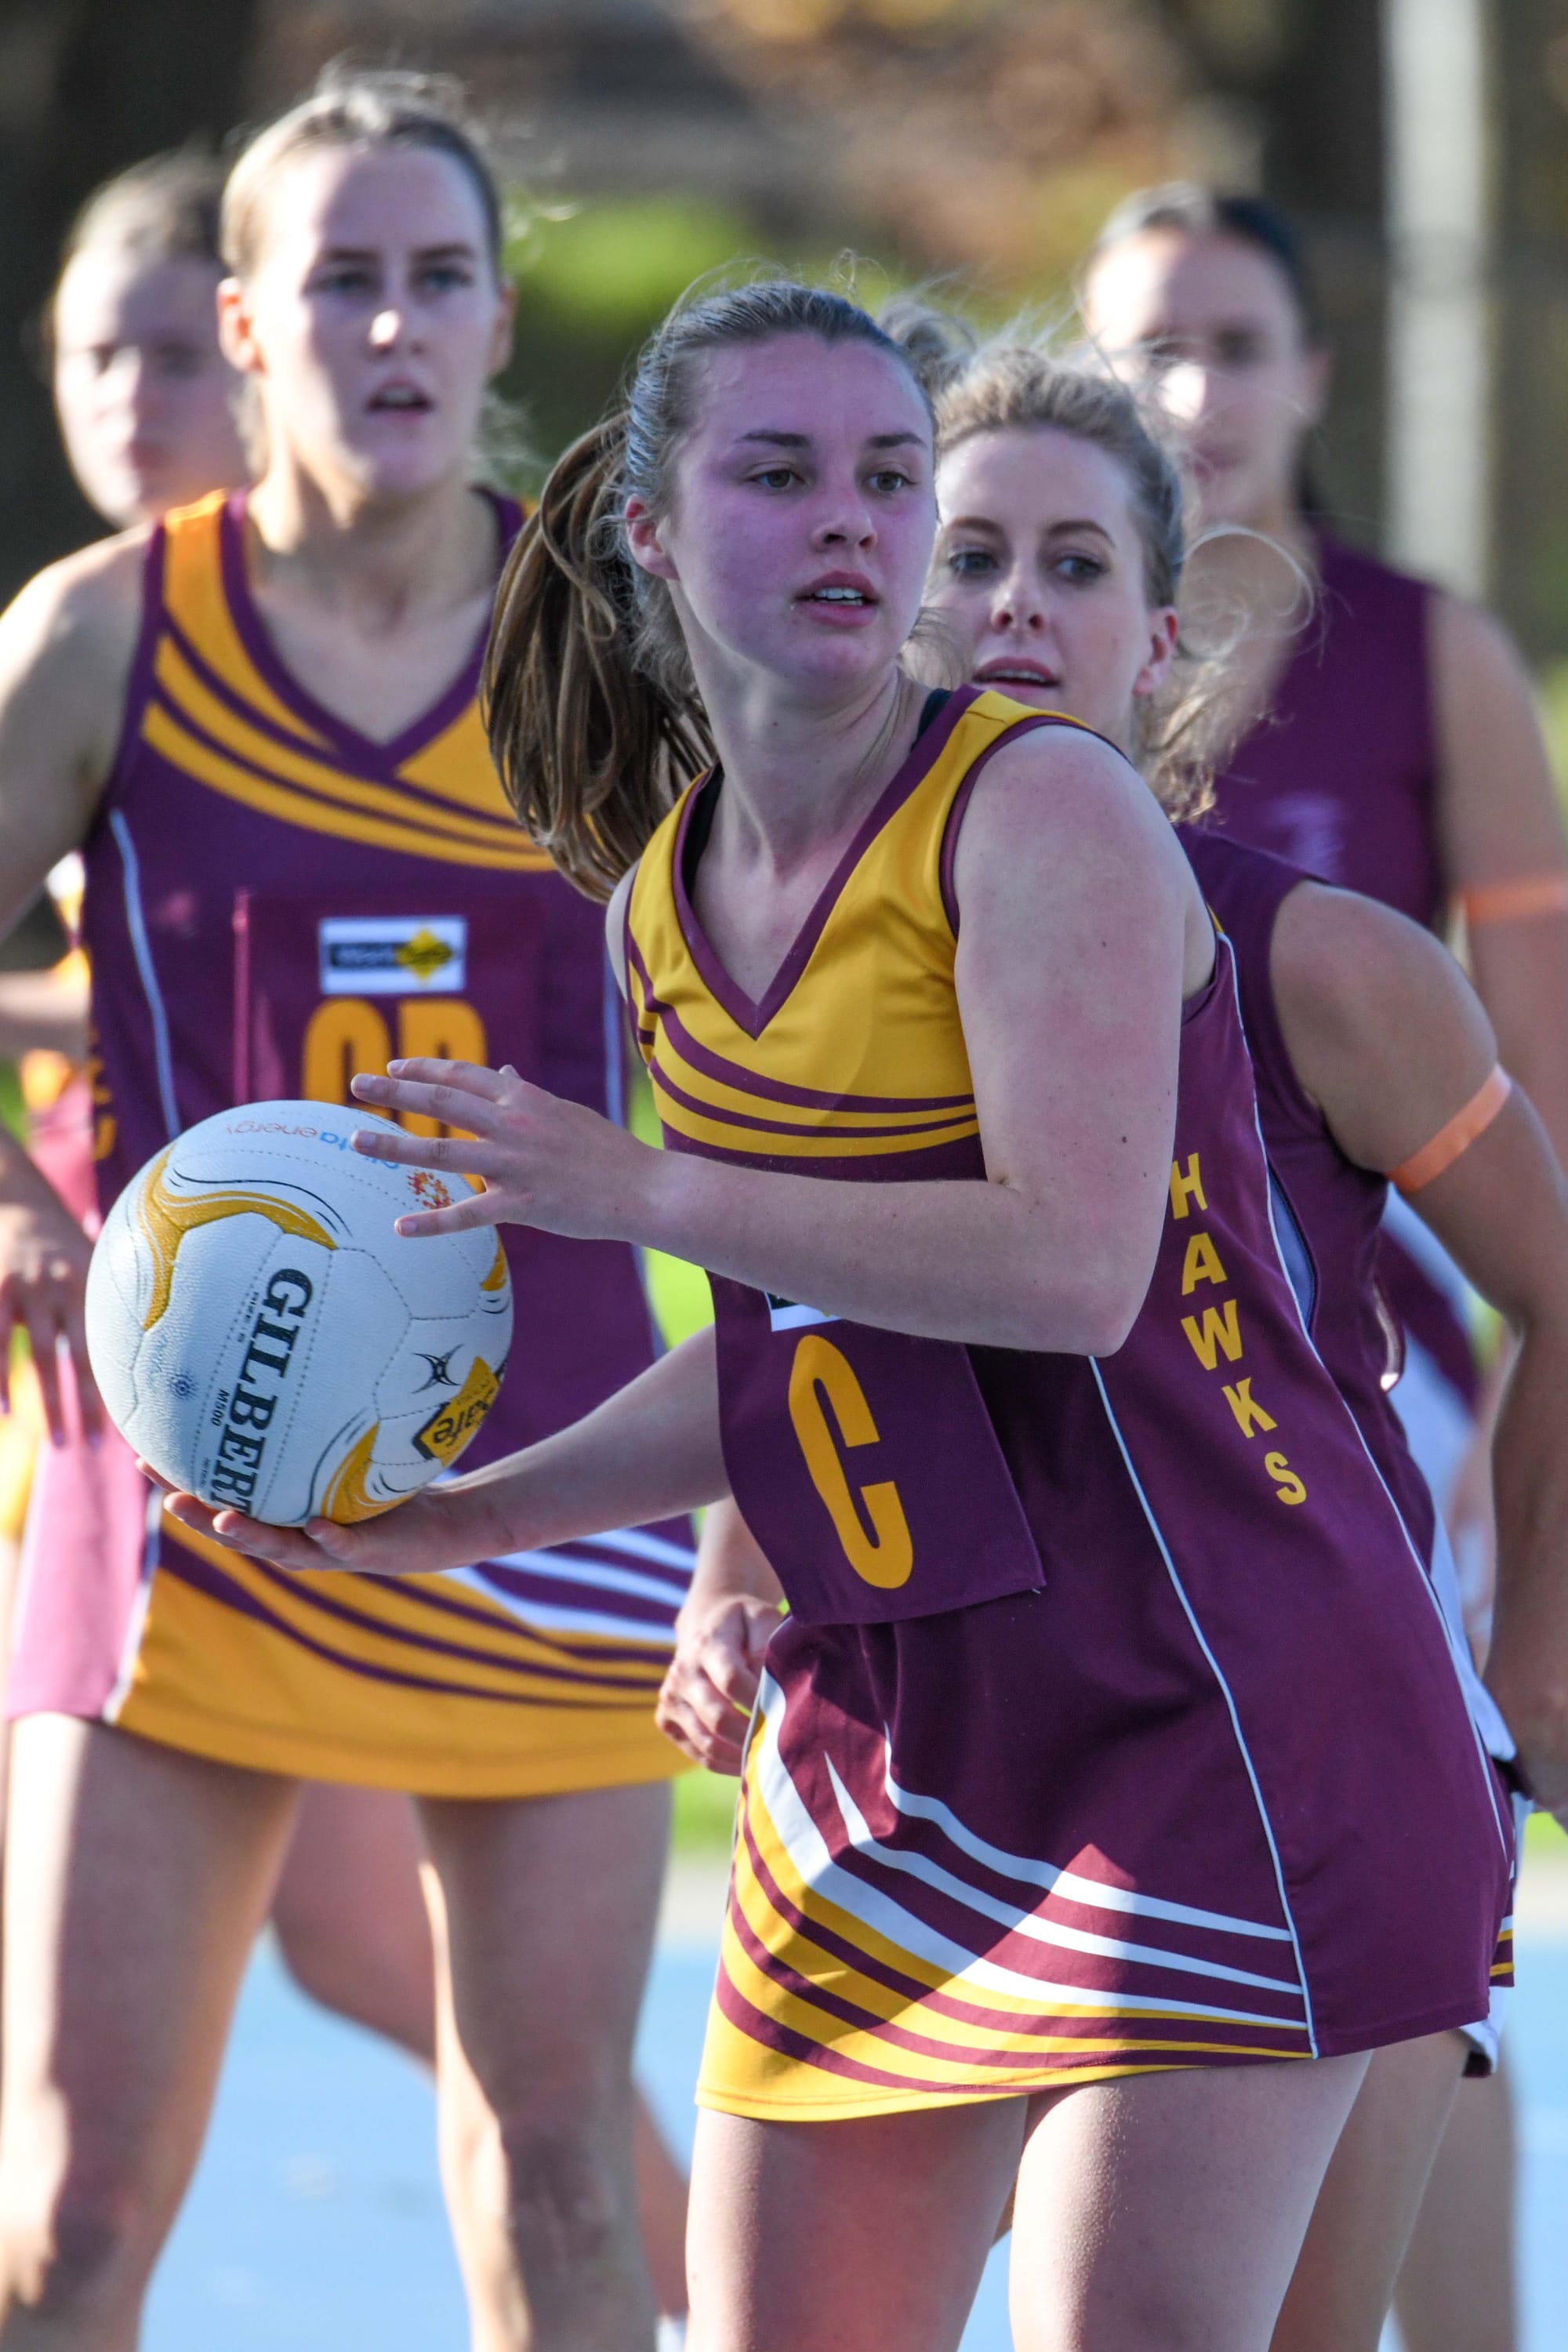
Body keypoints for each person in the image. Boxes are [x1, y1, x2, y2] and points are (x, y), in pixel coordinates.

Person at [163, 276, 1516, 2352]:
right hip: (893, 1743)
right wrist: (456, 1516)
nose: (853, 524)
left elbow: (1072, 1269)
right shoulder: (661, 903)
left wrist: (637, 1189)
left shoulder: (1036, 809)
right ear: (644, 523)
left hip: (1224, 1709)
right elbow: (798, 1354)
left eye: (890, 476)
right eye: (779, 473)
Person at [662, 336, 1568, 2351]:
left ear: (1159, 640)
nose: (1009, 608)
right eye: (966, 553)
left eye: (1072, 568)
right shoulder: (779, 934)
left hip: (1269, 1745)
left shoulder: (1318, 962)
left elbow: (1560, 1288)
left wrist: (1520, 1677)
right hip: (928, 1757)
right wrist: (727, 1576)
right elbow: (790, 1321)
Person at [0, 70, 696, 2350]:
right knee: (72, 2218)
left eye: (438, 281)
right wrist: (22, 1209)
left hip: (552, 1478)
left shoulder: (616, 641)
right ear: (246, 321)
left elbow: (803, 1026)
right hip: (193, 1476)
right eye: (339, 281)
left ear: (503, 329)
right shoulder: (107, 635)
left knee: (567, 2174)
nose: (391, 326)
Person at [1080, 183, 1568, 2352]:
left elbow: (1532, 1091)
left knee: (1418, 1937)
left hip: (1371, 1394)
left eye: (1234, 341)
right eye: (1147, 346)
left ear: (1312, 376)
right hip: (1096, 1389)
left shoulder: (1426, 647)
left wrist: (1519, 1509)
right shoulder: (1011, 650)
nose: (1193, 391)